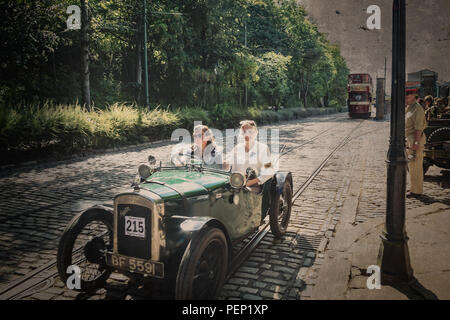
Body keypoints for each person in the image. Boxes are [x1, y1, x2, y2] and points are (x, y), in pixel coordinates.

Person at [224, 120, 274, 189]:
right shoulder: (237, 148)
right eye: (244, 132)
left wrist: (249, 183)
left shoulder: (263, 148)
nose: (247, 134)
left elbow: (269, 171)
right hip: (237, 183)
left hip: (255, 185)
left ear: (256, 132)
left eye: (250, 132)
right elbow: (230, 168)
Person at [405, 93, 427, 197]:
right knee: (412, 166)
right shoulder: (409, 107)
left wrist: (416, 143)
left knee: (416, 165)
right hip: (410, 140)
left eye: (407, 96)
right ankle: (413, 188)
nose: (405, 98)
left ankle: (417, 191)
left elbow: (418, 128)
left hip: (415, 140)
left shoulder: (418, 109)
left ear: (413, 96)